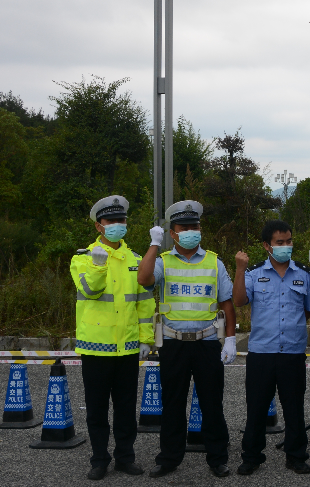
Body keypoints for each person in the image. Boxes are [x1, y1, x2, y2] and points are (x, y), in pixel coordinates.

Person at [136, 200, 237, 479]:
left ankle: (217, 458)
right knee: (173, 403)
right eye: (185, 227)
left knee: (212, 404)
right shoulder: (162, 262)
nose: (192, 231)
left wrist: (230, 339)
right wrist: (154, 244)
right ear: (173, 232)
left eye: (195, 226)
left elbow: (227, 303)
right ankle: (169, 458)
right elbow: (143, 279)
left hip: (206, 343)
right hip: (174, 343)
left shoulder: (214, 261)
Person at [70, 195, 154, 480]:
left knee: (126, 408)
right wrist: (97, 265)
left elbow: (144, 302)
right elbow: (90, 291)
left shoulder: (136, 260)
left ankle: (125, 457)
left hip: (128, 347)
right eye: (111, 221)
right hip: (96, 348)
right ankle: (99, 459)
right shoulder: (82, 258)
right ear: (99, 226)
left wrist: (146, 339)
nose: (117, 225)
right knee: (96, 409)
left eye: (121, 220)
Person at [233, 220, 310, 476]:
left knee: (294, 408)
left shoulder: (304, 273)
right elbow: (238, 300)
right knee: (256, 408)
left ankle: (296, 456)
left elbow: (309, 309)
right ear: (267, 246)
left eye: (289, 241)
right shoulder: (253, 273)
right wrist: (239, 269)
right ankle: (251, 456)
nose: (286, 246)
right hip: (262, 352)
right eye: (280, 243)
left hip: (292, 352)